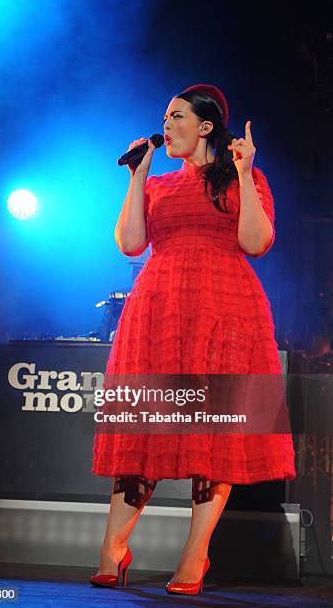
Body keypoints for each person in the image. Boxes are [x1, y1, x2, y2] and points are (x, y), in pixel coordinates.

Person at [90, 84, 296, 595]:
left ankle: (195, 553)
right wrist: (137, 179)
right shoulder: (158, 184)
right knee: (146, 427)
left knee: (215, 433)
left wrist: (246, 174)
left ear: (206, 126)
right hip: (158, 312)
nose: (167, 124)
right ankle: (112, 547)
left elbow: (256, 242)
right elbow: (131, 244)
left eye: (177, 116)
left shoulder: (242, 178)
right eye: (165, 115)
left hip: (224, 309)